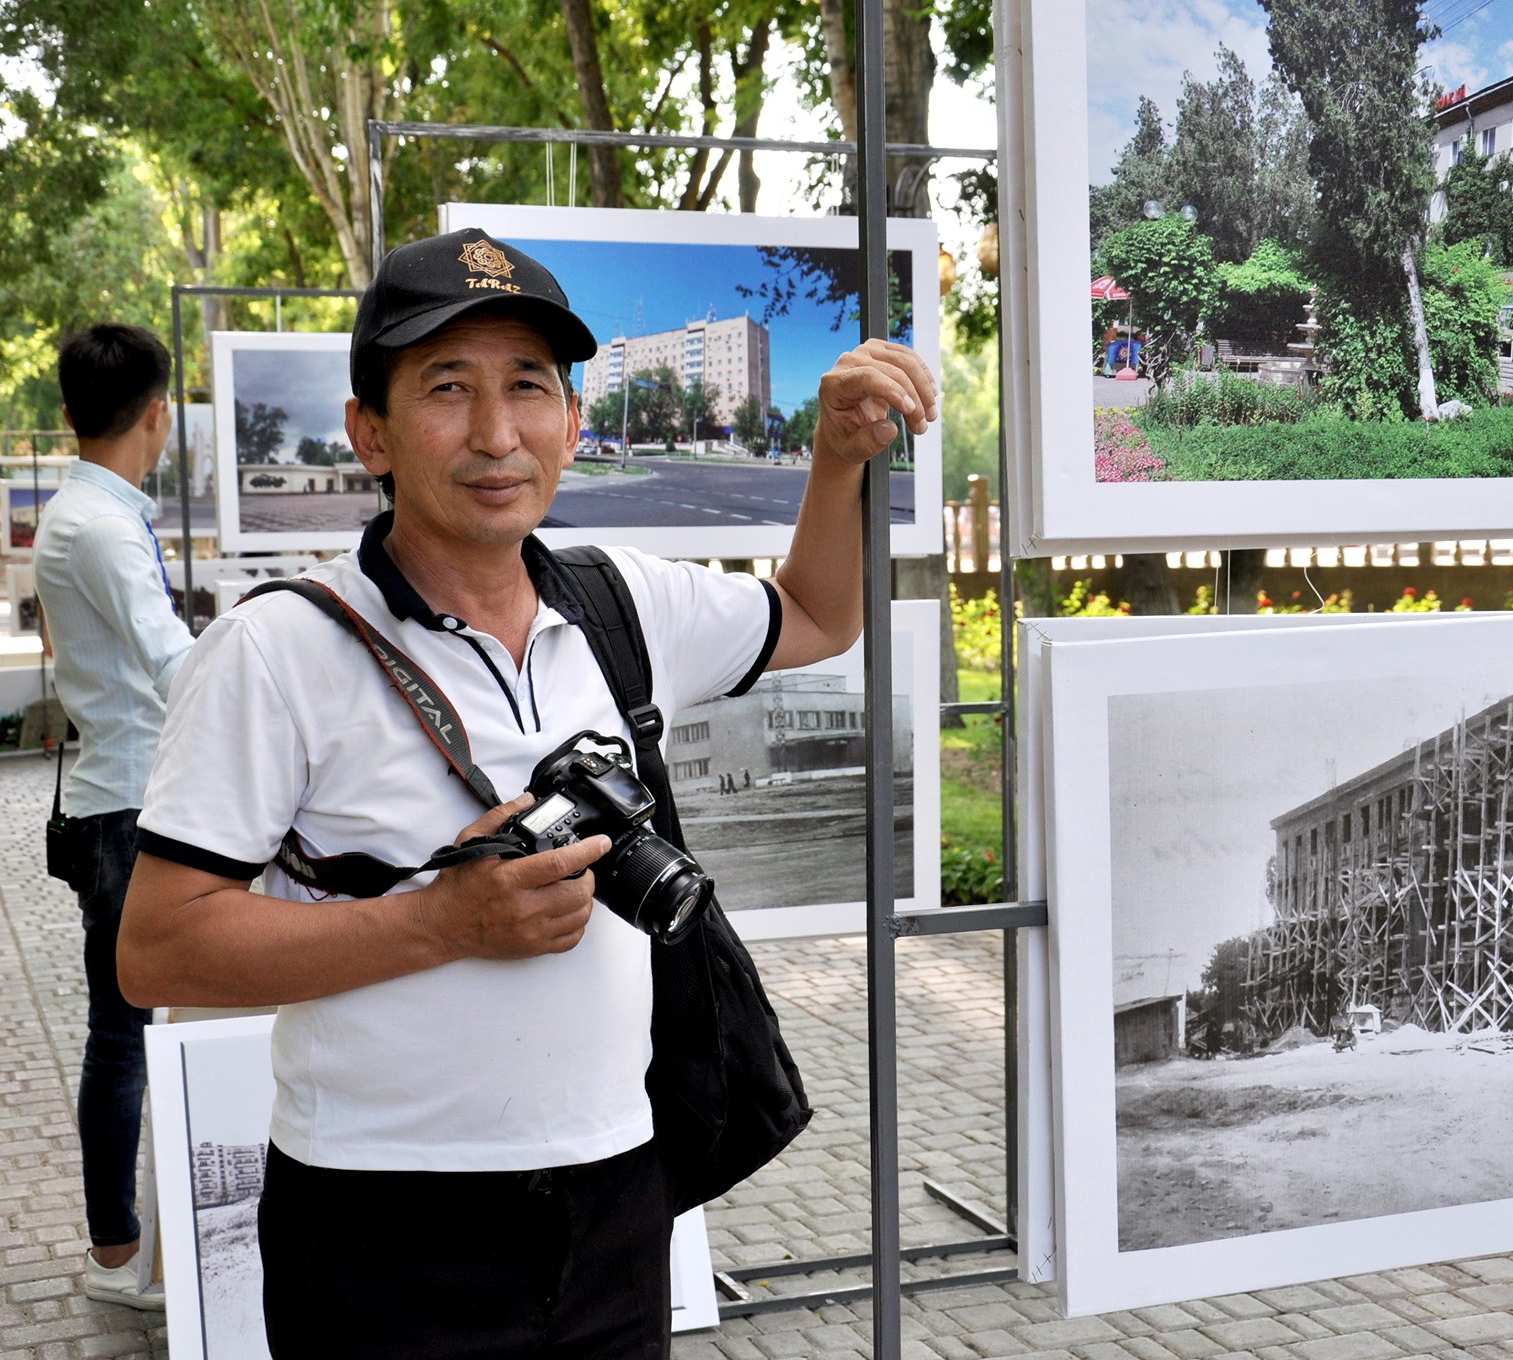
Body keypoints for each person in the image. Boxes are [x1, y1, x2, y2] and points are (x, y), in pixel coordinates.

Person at [118, 226, 935, 1359]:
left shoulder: (617, 604)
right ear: (371, 432)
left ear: (573, 421)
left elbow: (815, 616)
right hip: (382, 1222)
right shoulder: (273, 651)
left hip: (614, 1198)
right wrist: (437, 923)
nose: (496, 433)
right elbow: (158, 948)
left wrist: (836, 459)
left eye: (528, 388)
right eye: (447, 388)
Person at [33, 323, 195, 1310]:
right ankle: (118, 1255)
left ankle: (127, 1244)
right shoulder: (98, 524)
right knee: (126, 1033)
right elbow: (167, 657)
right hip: (130, 807)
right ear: (157, 415)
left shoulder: (88, 512)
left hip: (120, 796)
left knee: (127, 1026)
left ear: (67, 415)